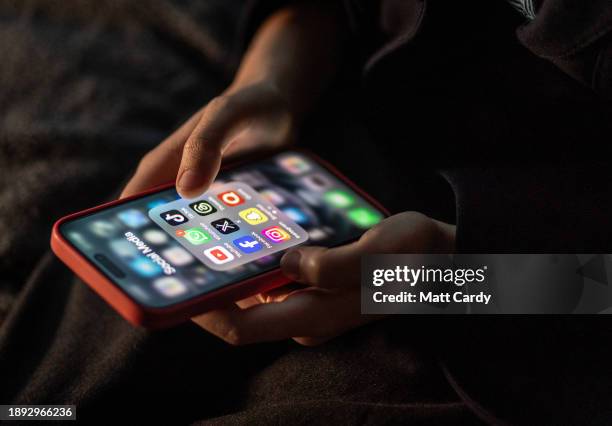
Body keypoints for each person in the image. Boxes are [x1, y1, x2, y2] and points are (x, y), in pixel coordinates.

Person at [120, 0, 611, 346]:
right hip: (322, 123)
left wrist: (462, 275)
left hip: (523, 324)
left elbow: (596, 286)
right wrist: (274, 77)